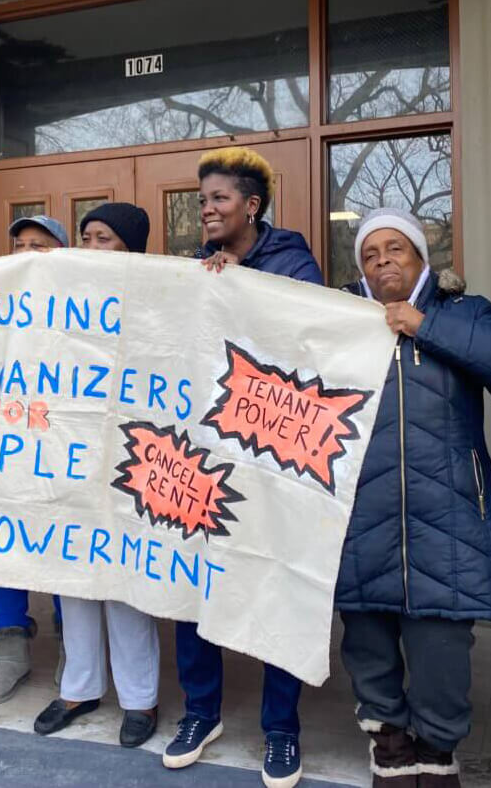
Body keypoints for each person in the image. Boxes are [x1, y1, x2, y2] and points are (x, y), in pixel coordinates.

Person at [335, 209, 491, 788]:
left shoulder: (465, 313)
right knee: (367, 639)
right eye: (370, 255)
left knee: (442, 646)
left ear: (422, 259)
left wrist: (422, 325)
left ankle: (437, 751)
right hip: (360, 514)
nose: (382, 260)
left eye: (396, 248)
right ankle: (389, 748)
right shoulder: (341, 319)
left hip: (449, 513)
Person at [164, 147, 322, 788]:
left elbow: (307, 338)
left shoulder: (292, 261)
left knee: (274, 587)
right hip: (208, 455)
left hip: (273, 461)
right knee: (194, 582)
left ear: (251, 206)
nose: (207, 209)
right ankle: (202, 712)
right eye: (202, 201)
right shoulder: (194, 269)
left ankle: (281, 727)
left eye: (220, 199)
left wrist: (245, 287)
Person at [32, 203, 161, 749]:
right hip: (71, 456)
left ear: (129, 247)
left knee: (125, 581)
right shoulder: (60, 299)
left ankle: (139, 699)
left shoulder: (158, 299)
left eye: (103, 238)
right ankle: (79, 687)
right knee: (74, 579)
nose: (90, 247)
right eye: (85, 237)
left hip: (132, 459)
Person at [0, 214, 68, 704]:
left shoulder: (86, 300)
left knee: (62, 542)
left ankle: (72, 648)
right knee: (2, 547)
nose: (27, 250)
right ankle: (11, 650)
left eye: (40, 243)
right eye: (20, 243)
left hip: (60, 451)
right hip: (6, 446)